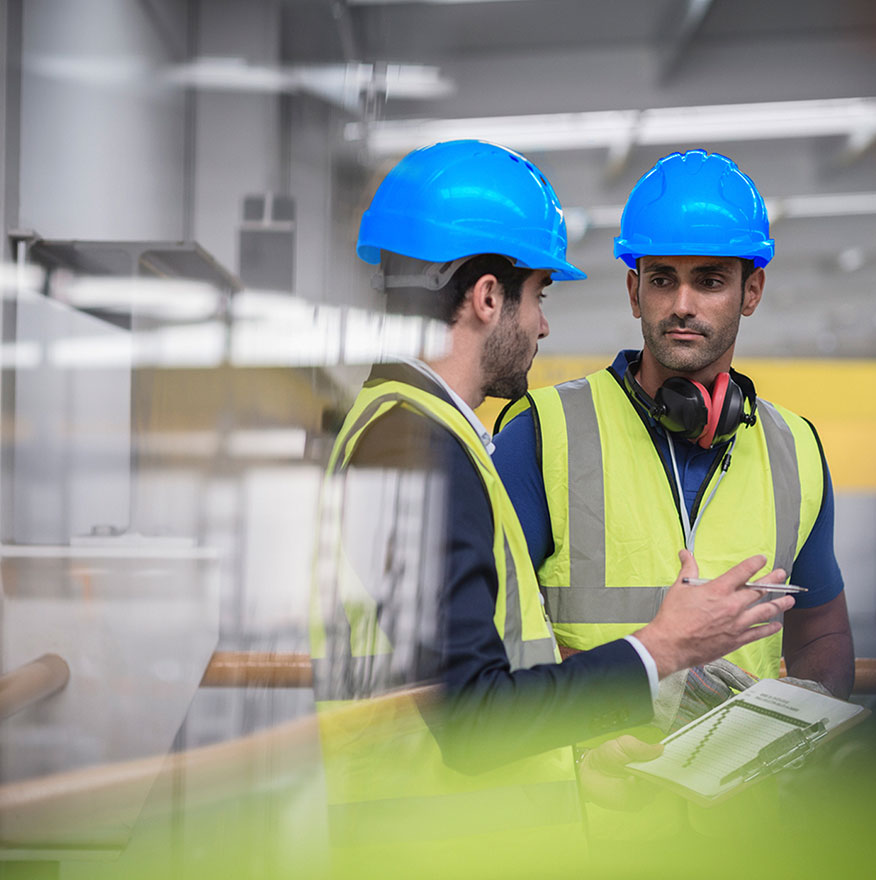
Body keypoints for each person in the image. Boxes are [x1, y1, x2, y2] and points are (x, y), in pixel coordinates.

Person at [309, 140, 795, 870]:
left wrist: (577, 766)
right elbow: (473, 719)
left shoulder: (408, 431)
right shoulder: (418, 448)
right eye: (539, 297)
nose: (542, 326)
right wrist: (662, 648)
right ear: (486, 298)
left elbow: (449, 689)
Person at [493, 149, 854, 717]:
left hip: (740, 797)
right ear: (636, 291)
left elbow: (821, 632)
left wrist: (812, 731)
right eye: (663, 279)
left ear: (751, 291)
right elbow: (497, 632)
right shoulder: (540, 433)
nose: (682, 305)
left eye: (709, 281)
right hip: (601, 792)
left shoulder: (796, 449)